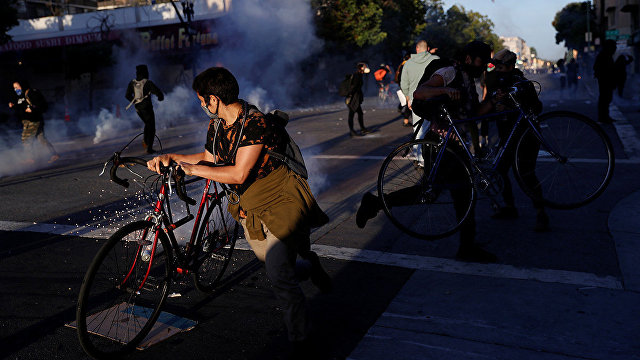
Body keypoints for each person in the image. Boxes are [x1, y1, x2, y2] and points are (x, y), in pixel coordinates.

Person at [146, 67, 331, 356]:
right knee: (270, 259)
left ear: (214, 99)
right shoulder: (217, 125)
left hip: (280, 196)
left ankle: (301, 339)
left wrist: (195, 169)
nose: (201, 106)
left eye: (201, 100)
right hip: (249, 205)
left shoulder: (255, 123)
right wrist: (174, 157)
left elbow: (239, 173)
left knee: (278, 271)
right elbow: (209, 158)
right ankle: (308, 266)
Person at [357, 41, 498, 263]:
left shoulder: (468, 79)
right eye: (482, 61)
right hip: (441, 144)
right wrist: (445, 90)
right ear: (469, 58)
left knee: (462, 195)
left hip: (456, 145)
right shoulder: (450, 71)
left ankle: (467, 247)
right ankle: (374, 203)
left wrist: (495, 101)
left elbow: (474, 113)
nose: (484, 67)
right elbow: (420, 92)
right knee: (433, 193)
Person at [483, 49, 549, 231]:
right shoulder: (495, 80)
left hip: (526, 137)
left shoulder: (522, 83)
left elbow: (537, 108)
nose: (498, 70)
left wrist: (516, 103)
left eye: (502, 67)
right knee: (501, 172)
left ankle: (541, 213)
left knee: (527, 174)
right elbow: (488, 104)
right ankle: (510, 207)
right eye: (496, 67)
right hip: (506, 137)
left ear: (511, 66)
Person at [8, 80, 59, 163]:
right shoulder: (20, 96)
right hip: (28, 121)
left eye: (17, 87)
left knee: (26, 139)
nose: (16, 89)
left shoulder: (31, 93)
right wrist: (13, 106)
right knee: (41, 138)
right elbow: (21, 107)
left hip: (34, 120)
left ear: (23, 85)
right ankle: (54, 154)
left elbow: (42, 105)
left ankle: (30, 158)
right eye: (14, 88)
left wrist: (32, 109)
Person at [400, 39, 439, 134]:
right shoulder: (436, 60)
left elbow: (404, 84)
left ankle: (418, 148)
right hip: (433, 99)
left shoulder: (408, 63)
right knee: (435, 130)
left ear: (417, 48)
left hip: (415, 99)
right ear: (428, 48)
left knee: (419, 130)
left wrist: (408, 97)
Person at [125, 64, 164, 153]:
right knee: (151, 126)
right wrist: (160, 97)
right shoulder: (147, 82)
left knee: (147, 124)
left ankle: (146, 142)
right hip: (147, 108)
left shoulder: (132, 83)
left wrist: (135, 101)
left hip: (138, 109)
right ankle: (148, 146)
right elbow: (158, 92)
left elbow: (127, 95)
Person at [593, 39, 617, 124]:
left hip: (607, 80)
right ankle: (603, 117)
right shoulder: (603, 55)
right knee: (604, 99)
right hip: (605, 81)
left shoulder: (607, 55)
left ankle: (605, 116)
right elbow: (597, 68)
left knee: (606, 99)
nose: (615, 48)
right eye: (614, 46)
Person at [345, 62, 370, 137]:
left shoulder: (359, 75)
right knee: (351, 114)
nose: (366, 68)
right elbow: (354, 87)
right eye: (364, 67)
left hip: (356, 97)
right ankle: (352, 131)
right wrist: (350, 96)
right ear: (361, 68)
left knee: (359, 113)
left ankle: (362, 129)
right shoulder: (357, 75)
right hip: (353, 98)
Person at [395, 54, 413, 127]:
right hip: (406, 87)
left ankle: (406, 119)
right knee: (409, 104)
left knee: (407, 103)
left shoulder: (401, 65)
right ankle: (406, 121)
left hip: (403, 86)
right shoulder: (406, 65)